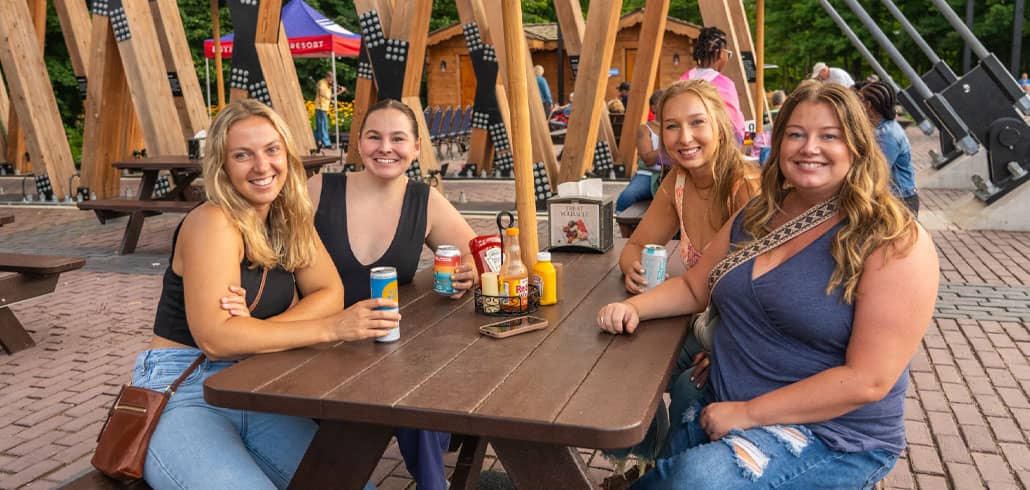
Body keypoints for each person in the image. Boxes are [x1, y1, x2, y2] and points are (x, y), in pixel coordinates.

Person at [598, 81, 939, 488]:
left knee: (693, 481)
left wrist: (749, 413)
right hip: (723, 406)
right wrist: (634, 307)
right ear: (779, 144)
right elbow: (694, 287)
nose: (809, 147)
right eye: (796, 134)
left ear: (858, 145)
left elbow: (869, 379)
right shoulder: (759, 212)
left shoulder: (894, 240)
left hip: (832, 436)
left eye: (829, 135)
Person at [137, 99, 393, 489]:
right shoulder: (214, 221)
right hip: (184, 389)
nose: (262, 166)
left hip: (253, 384)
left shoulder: (287, 216)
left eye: (272, 150)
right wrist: (332, 329)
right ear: (221, 165)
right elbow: (217, 339)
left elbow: (329, 291)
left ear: (287, 155)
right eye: (243, 155)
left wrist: (255, 330)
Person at [306, 98, 479, 490]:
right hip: (323, 343)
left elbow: (479, 254)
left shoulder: (424, 199)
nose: (386, 148)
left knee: (411, 387)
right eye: (374, 137)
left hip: (388, 344)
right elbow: (272, 244)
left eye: (398, 138)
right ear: (359, 143)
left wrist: (468, 273)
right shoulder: (320, 189)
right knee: (413, 394)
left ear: (417, 147)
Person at [620, 80, 759, 295]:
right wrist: (635, 270)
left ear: (720, 127)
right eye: (672, 126)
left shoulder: (745, 185)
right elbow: (635, 247)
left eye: (697, 122)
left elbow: (756, 284)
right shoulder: (678, 180)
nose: (684, 138)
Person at [861, 81, 918, 214]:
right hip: (894, 198)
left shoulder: (887, 135)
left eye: (859, 99)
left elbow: (876, 173)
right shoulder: (881, 129)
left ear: (868, 105)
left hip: (901, 201)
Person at [681, 26, 746, 144]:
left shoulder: (683, 80)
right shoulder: (724, 84)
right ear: (721, 54)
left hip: (686, 142)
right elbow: (735, 124)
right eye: (729, 54)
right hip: (715, 145)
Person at [615, 90, 665, 213]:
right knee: (626, 198)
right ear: (653, 107)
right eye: (662, 103)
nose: (667, 106)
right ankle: (627, 229)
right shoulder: (645, 129)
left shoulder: (678, 126)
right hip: (648, 174)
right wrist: (668, 147)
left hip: (673, 174)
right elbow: (648, 159)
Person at [314, 70, 346, 150]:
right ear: (327, 77)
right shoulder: (322, 83)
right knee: (323, 125)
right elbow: (322, 93)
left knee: (320, 125)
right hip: (320, 107)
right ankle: (326, 143)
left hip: (324, 107)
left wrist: (340, 92)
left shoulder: (328, 85)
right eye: (331, 79)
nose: (332, 81)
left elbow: (331, 96)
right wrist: (333, 94)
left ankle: (318, 141)